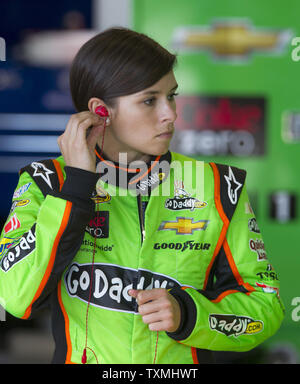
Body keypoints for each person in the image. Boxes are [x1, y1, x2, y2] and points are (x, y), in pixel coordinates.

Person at [0, 27, 284, 364]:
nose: (170, 114)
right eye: (150, 100)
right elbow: (16, 297)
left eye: (172, 96)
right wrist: (76, 187)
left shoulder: (218, 186)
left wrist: (189, 314)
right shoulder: (46, 182)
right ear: (100, 111)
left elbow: (266, 307)